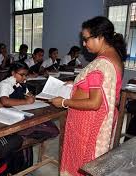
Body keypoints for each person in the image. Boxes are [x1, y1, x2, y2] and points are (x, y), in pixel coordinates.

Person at [50, 16, 126, 176]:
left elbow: (94, 103)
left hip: (88, 124)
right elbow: (98, 86)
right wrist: (76, 83)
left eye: (86, 39)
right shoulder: (113, 55)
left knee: (83, 163)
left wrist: (63, 102)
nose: (84, 44)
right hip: (94, 121)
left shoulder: (102, 63)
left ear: (100, 37)